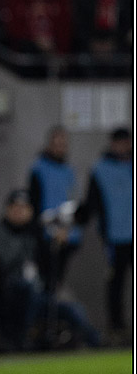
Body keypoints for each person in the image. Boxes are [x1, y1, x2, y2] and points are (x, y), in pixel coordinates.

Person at [0, 189, 101, 351]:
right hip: (10, 295)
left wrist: (61, 248)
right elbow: (4, 263)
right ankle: (21, 342)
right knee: (27, 290)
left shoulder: (38, 234)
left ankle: (96, 344)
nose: (19, 212)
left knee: (72, 310)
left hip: (39, 295)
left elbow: (52, 271)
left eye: (24, 208)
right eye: (15, 208)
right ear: (7, 210)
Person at [76, 127, 133, 345]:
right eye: (120, 142)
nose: (124, 147)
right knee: (115, 283)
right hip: (115, 237)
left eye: (126, 142)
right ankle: (116, 327)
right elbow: (91, 204)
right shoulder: (100, 169)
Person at [27, 125, 82, 288]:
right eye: (56, 144)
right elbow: (35, 205)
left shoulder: (69, 171)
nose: (60, 148)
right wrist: (48, 231)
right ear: (49, 145)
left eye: (63, 144)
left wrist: (69, 231)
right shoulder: (38, 170)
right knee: (45, 281)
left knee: (57, 281)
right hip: (46, 236)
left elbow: (74, 202)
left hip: (66, 236)